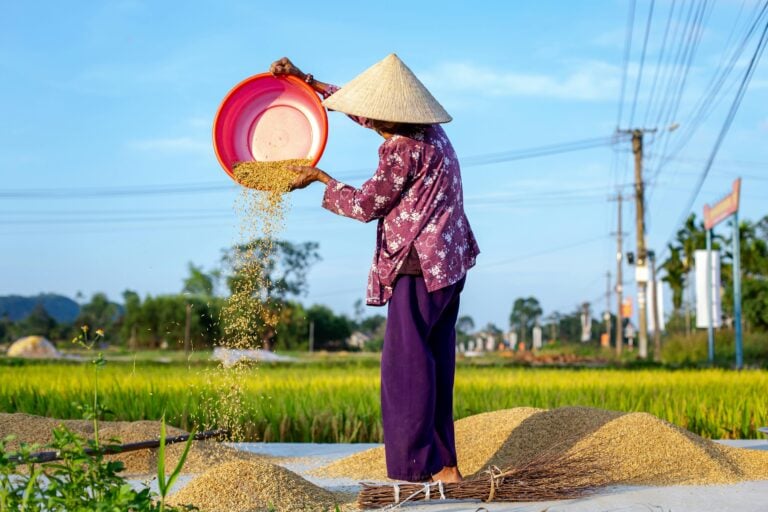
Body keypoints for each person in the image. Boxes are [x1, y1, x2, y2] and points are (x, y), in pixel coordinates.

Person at [270, 54, 480, 483]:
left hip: (417, 266)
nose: (369, 121)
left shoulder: (400, 149)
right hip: (449, 264)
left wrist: (320, 179)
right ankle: (446, 466)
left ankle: (414, 469)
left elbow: (366, 205)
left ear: (389, 116)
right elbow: (366, 114)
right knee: (435, 361)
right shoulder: (431, 134)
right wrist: (307, 81)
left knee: (405, 369)